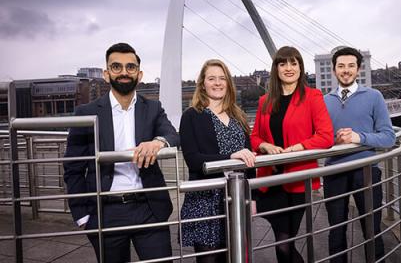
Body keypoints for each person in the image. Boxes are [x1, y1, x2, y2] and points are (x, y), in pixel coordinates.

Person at [63, 43, 179, 263]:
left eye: (130, 67)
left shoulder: (153, 108)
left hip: (149, 208)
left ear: (139, 73)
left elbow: (172, 134)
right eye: (116, 67)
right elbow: (73, 168)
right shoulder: (86, 113)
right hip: (105, 211)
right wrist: (83, 217)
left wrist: (158, 142)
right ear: (106, 74)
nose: (124, 72)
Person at [250, 46, 334, 263]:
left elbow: (326, 136)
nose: (288, 68)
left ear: (300, 67)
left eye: (293, 63)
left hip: (297, 181)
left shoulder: (313, 97)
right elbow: (255, 138)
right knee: (282, 242)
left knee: (284, 243)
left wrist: (297, 148)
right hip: (270, 181)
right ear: (276, 69)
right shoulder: (264, 101)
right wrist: (266, 146)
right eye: (283, 63)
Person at [323, 46, 396, 263]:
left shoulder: (374, 97)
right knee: (336, 231)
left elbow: (388, 137)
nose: (346, 70)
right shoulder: (323, 101)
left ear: (359, 69)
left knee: (371, 230)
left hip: (366, 172)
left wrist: (358, 137)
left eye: (351, 66)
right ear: (334, 69)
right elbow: (316, 138)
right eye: (341, 66)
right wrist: (331, 140)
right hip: (334, 172)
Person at [179, 59, 256, 263]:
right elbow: (193, 160)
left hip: (236, 199)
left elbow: (249, 157)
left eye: (222, 78)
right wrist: (230, 157)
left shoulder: (237, 115)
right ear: (202, 83)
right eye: (211, 78)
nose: (217, 83)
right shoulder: (191, 116)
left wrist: (253, 197)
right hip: (205, 201)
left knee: (236, 256)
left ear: (228, 83)